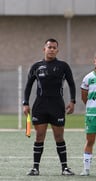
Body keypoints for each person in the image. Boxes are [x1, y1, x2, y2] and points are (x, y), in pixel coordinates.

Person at [22, 38, 76, 176]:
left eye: (54, 47)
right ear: (44, 49)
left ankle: (64, 168)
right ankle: (35, 168)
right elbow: (28, 85)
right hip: (40, 106)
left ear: (57, 50)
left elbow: (71, 83)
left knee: (59, 137)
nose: (51, 49)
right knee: (39, 136)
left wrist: (72, 101)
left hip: (57, 105)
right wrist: (25, 103)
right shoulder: (36, 66)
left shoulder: (63, 66)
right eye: (49, 47)